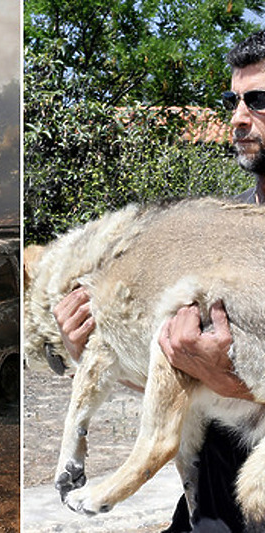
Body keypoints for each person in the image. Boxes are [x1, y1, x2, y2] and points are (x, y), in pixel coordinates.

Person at [53, 29, 265, 533]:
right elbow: (167, 366)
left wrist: (231, 380)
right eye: (232, 101)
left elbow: (218, 375)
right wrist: (90, 343)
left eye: (258, 101)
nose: (238, 119)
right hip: (204, 514)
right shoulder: (219, 225)